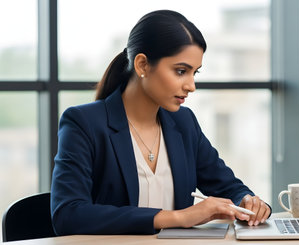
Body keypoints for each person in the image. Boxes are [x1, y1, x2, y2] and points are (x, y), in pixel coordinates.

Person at [50, 10, 271, 235]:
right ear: (143, 65)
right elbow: (68, 214)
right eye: (181, 71)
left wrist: (247, 201)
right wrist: (179, 217)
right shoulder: (83, 123)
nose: (191, 85)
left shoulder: (184, 123)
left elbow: (227, 186)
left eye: (195, 73)